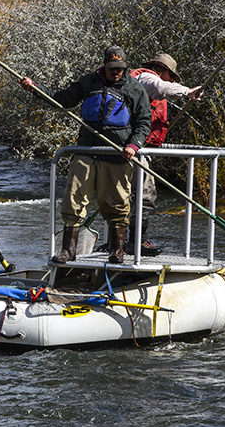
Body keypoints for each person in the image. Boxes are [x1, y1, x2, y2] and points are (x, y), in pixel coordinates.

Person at [19, 46, 151, 264]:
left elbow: (144, 122)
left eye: (120, 69)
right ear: (104, 66)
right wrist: (34, 88)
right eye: (112, 69)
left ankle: (116, 251)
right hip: (86, 151)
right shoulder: (89, 82)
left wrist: (134, 145)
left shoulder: (135, 89)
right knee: (73, 198)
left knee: (117, 203)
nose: (116, 72)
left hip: (117, 156)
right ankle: (68, 250)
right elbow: (62, 99)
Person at [128, 53, 202, 246]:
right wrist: (187, 92)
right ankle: (136, 242)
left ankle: (123, 242)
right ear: (161, 71)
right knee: (143, 196)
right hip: (134, 150)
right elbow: (161, 87)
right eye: (171, 76)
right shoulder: (146, 78)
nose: (171, 80)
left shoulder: (138, 80)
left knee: (129, 196)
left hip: (136, 149)